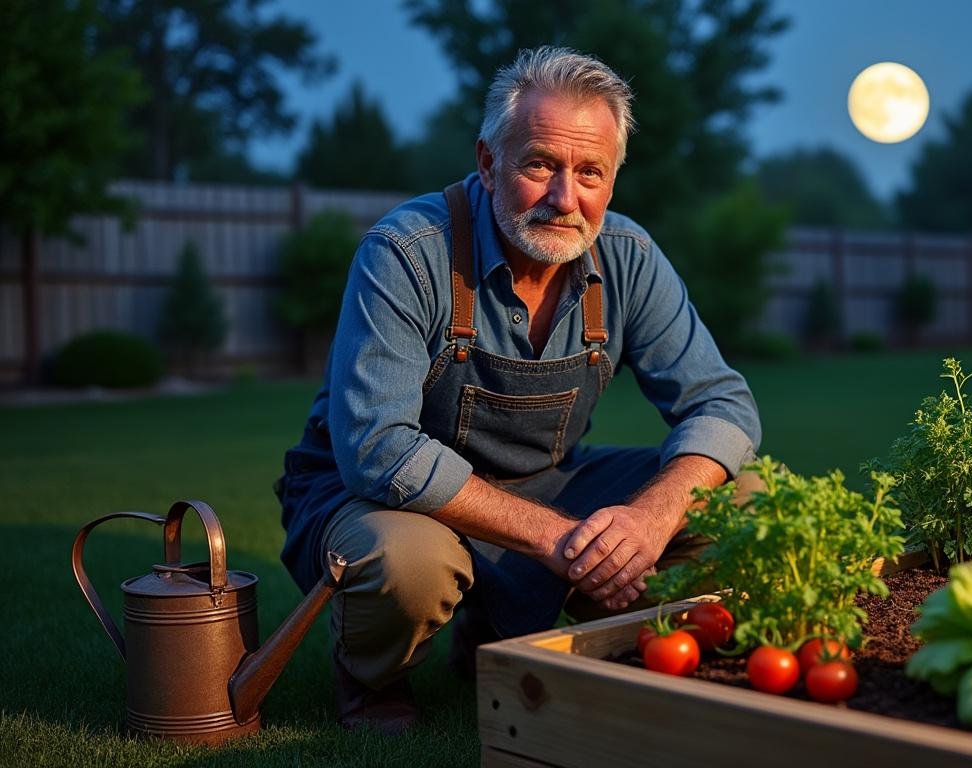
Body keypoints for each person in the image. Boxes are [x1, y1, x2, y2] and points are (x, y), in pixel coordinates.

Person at [274, 46, 761, 735]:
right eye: (540, 164)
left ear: (613, 180)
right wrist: (562, 541)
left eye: (590, 172)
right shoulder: (408, 251)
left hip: (544, 481)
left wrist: (648, 520)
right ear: (487, 161)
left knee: (742, 499)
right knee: (410, 562)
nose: (566, 198)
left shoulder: (628, 257)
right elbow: (378, 449)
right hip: (377, 499)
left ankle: (513, 634)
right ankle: (371, 672)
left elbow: (722, 405)